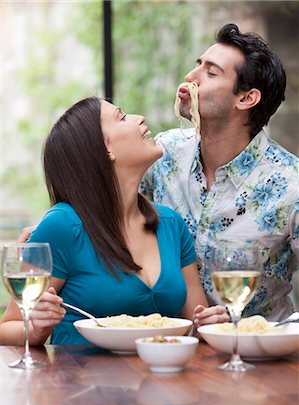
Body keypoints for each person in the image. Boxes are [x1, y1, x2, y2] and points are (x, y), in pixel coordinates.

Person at [0, 97, 229, 346]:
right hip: (79, 382)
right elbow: (8, 328)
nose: (139, 118)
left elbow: (195, 324)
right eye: (121, 117)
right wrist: (35, 329)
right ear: (104, 149)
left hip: (160, 380)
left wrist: (209, 324)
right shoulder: (62, 226)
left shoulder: (172, 224)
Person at [141, 23, 299, 321]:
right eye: (197, 65)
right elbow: (112, 217)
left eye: (211, 73)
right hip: (168, 344)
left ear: (246, 98)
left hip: (257, 356)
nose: (191, 77)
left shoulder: (291, 185)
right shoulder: (163, 154)